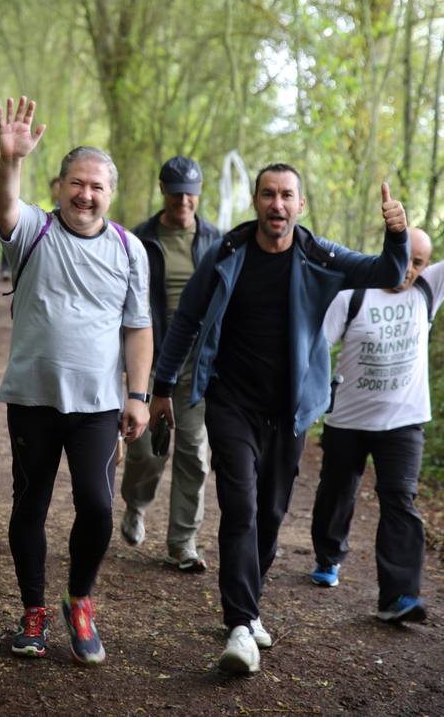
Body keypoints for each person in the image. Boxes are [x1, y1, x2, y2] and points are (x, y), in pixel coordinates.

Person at [148, 163, 408, 675]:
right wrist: (160, 388)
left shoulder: (319, 255)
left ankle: (252, 600)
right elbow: (187, 320)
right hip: (231, 403)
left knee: (270, 514)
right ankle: (240, 624)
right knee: (240, 506)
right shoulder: (227, 253)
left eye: (287, 195)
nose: (277, 205)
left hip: (289, 412)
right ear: (256, 201)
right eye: (268, 195)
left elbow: (389, 273)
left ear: (300, 205)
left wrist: (396, 233)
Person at [0, 95, 153, 666]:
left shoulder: (131, 251)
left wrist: (137, 395)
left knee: (98, 506)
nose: (86, 195)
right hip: (33, 397)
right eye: (76, 184)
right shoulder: (34, 229)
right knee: (29, 503)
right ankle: (32, 610)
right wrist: (10, 160)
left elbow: (138, 327)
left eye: (97, 187)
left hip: (98, 406)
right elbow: (3, 205)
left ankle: (77, 600)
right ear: (59, 187)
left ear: (111, 194)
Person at [310, 227, 443, 623]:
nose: (409, 270)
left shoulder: (427, 291)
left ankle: (399, 596)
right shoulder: (352, 296)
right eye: (405, 259)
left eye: (419, 263)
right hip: (348, 418)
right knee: (337, 490)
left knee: (400, 498)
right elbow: (316, 348)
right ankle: (328, 556)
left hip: (403, 421)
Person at [120, 156, 221, 570]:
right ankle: (136, 504)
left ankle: (183, 541)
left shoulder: (217, 241)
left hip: (197, 363)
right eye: (176, 192)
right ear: (163, 190)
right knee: (146, 450)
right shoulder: (140, 239)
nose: (184, 201)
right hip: (153, 356)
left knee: (195, 452)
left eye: (190, 193)